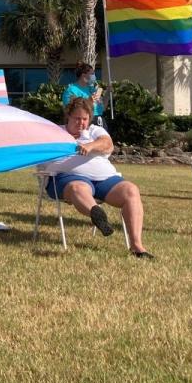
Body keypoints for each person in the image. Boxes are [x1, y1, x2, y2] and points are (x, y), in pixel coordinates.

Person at [44, 97, 153, 258]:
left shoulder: (94, 131)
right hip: (66, 178)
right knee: (78, 188)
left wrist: (90, 145)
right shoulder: (55, 132)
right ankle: (96, 213)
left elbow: (107, 144)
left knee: (131, 190)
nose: (81, 123)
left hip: (104, 179)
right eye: (77, 118)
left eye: (85, 119)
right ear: (68, 116)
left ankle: (137, 246)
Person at [62, 63, 107, 129]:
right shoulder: (71, 90)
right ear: (83, 75)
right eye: (92, 74)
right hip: (84, 123)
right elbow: (70, 110)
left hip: (100, 122)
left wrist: (108, 93)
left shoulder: (92, 89)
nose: (94, 76)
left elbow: (103, 108)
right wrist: (89, 101)